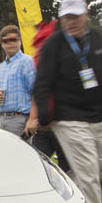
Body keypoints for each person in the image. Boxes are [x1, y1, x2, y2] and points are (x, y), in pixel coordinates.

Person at [33, 0, 102, 203]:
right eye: (67, 17)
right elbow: (42, 83)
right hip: (69, 117)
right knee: (89, 171)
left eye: (76, 16)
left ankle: (59, 196)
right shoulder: (54, 45)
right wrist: (46, 116)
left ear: (85, 15)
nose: (72, 22)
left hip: (98, 116)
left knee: (101, 166)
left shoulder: (97, 39)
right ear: (61, 19)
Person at [29, 19, 71, 173]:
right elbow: (38, 90)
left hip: (63, 123)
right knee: (38, 165)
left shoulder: (63, 54)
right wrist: (33, 117)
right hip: (44, 123)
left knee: (67, 170)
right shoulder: (40, 55)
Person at [0, 25, 36, 137]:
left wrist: (32, 119)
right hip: (2, 119)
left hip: (21, 119)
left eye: (13, 39)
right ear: (2, 44)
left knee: (22, 154)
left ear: (20, 41)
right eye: (6, 41)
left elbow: (36, 92)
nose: (10, 43)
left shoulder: (27, 62)